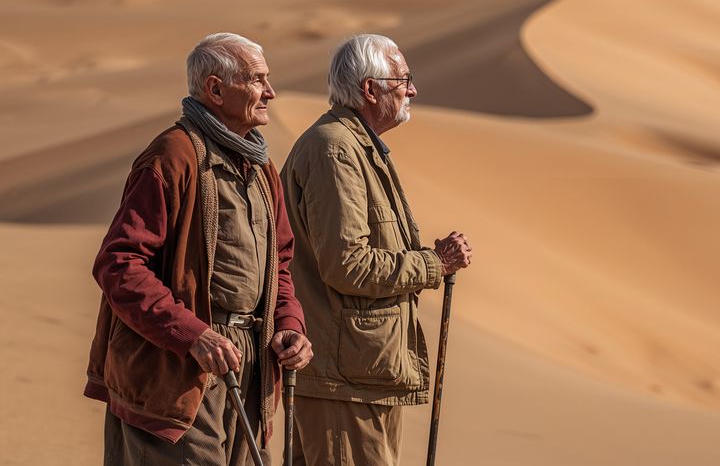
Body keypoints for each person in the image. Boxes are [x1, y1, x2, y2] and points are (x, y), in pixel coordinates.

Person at [84, 32, 315, 465]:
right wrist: (192, 335)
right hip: (178, 375)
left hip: (250, 366)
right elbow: (119, 264)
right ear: (215, 89)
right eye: (257, 80)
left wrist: (289, 324)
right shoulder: (173, 155)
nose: (271, 91)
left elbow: (280, 263)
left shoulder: (261, 165)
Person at [280, 33, 472, 466]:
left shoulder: (359, 148)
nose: (413, 90)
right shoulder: (335, 151)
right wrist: (434, 264)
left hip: (365, 370)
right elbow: (348, 265)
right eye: (404, 79)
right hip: (343, 376)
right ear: (370, 88)